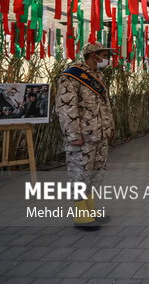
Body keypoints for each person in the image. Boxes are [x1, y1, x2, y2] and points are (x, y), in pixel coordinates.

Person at [56, 42, 115, 231]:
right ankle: (81, 215)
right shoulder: (71, 76)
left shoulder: (98, 76)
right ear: (93, 56)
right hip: (82, 136)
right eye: (105, 55)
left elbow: (105, 105)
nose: (107, 59)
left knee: (96, 174)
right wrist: (73, 134)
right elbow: (65, 108)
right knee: (80, 174)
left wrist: (110, 127)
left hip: (100, 134)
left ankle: (90, 210)